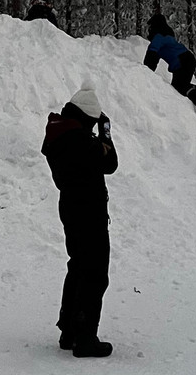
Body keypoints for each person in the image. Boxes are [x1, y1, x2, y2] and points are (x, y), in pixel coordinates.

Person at [41, 84, 118, 358]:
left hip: (71, 207)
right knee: (95, 273)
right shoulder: (80, 141)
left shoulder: (59, 133)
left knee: (78, 266)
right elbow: (110, 163)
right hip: (89, 210)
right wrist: (105, 131)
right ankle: (86, 337)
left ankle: (69, 331)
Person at [143, 13, 196, 115]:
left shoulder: (159, 36)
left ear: (154, 25)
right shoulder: (165, 36)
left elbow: (152, 54)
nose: (148, 30)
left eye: (150, 27)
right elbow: (155, 57)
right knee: (179, 86)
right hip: (187, 59)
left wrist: (145, 72)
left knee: (179, 86)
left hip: (183, 61)